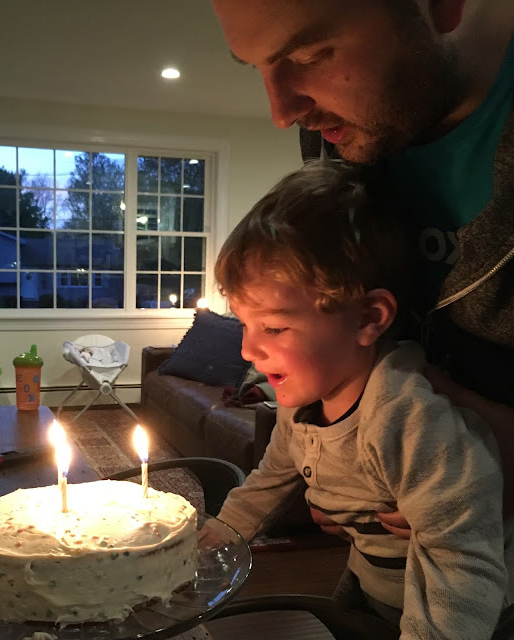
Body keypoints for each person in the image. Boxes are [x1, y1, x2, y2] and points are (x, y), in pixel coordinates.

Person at [210, 0, 514, 538]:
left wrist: (478, 470)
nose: (281, 111)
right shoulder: (339, 136)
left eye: (311, 54)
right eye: (257, 67)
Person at [213, 158, 514, 638]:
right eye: (244, 324)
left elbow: (461, 560)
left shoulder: (407, 418)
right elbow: (270, 480)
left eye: (273, 327)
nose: (248, 349)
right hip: (372, 593)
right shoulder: (299, 407)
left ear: (368, 318)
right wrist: (218, 537)